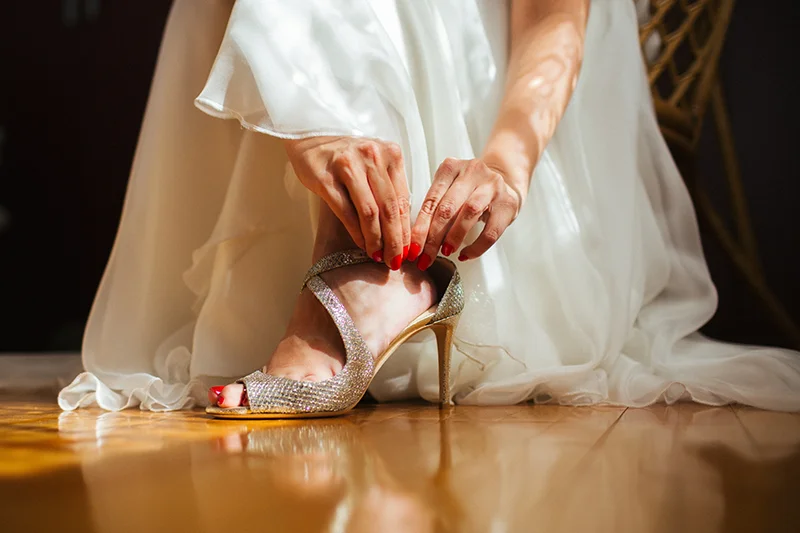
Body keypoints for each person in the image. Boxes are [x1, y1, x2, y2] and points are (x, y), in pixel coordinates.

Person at [58, 0, 800, 414]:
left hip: (515, 64)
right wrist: (307, 124)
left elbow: (551, 20)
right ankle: (375, 254)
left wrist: (506, 164)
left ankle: (358, 273)